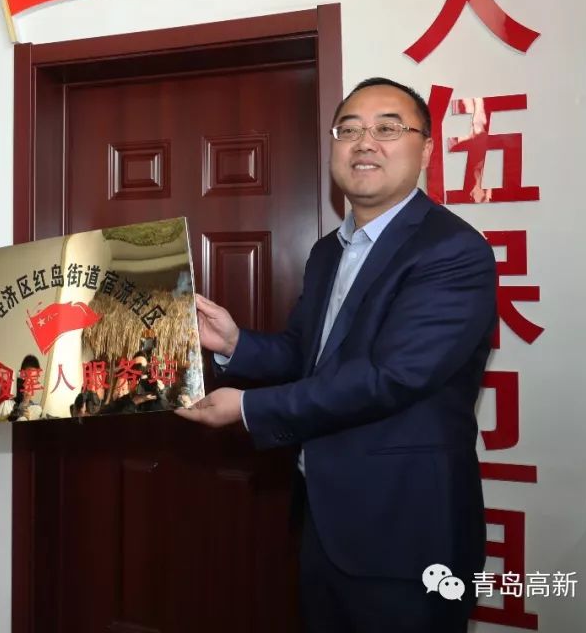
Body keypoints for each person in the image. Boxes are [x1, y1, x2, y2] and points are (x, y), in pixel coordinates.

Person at [177, 78, 497, 633]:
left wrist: (249, 408)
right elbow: (308, 355)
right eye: (348, 130)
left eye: (387, 128)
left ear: (426, 149)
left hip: (406, 532)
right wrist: (234, 343)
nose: (364, 142)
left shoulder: (453, 250)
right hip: (323, 518)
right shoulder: (330, 250)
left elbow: (391, 377)